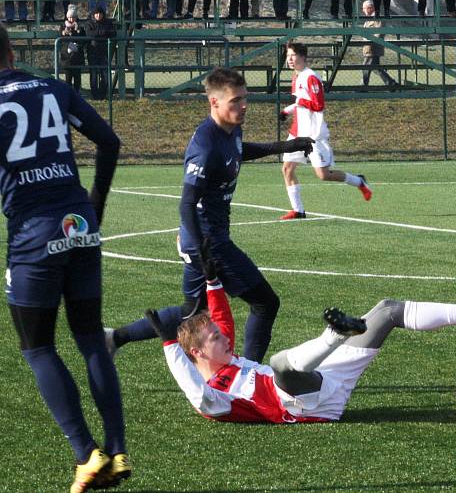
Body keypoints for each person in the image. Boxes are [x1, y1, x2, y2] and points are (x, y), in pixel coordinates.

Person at [146, 243, 456, 424]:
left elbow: (222, 316)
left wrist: (212, 281)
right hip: (303, 405)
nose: (224, 337)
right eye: (213, 338)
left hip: (322, 378)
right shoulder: (215, 397)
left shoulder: (225, 356)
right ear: (197, 354)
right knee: (278, 366)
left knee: (387, 310)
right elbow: (195, 393)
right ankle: (334, 335)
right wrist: (168, 346)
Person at [105, 67, 314, 363]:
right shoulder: (205, 145)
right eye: (234, 101)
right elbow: (187, 203)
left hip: (201, 240)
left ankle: (114, 337)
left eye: (244, 98)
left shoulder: (230, 130)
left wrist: (285, 146)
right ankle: (249, 373)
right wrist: (203, 249)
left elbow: (239, 150)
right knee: (265, 303)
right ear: (214, 103)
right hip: (210, 242)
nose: (243, 106)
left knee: (194, 313)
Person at [0, 24, 130, 493]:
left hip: (33, 234)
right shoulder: (56, 87)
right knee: (91, 338)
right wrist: (95, 204)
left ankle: (85, 453)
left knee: (37, 347)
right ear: (12, 51)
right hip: (80, 223)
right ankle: (117, 451)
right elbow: (110, 142)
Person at [279, 42, 373, 219]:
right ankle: (298, 210)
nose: (289, 59)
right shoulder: (296, 77)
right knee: (287, 169)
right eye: (288, 55)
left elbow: (318, 105)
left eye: (293, 55)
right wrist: (286, 111)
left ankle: (359, 181)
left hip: (314, 135)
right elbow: (300, 102)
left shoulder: (311, 77)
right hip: (297, 131)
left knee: (324, 175)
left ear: (303, 57)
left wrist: (298, 104)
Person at [361, 0, 399, 88]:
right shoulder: (369, 18)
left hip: (373, 48)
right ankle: (391, 83)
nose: (363, 10)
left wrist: (371, 41)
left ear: (370, 8)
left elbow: (379, 32)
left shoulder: (376, 18)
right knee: (375, 67)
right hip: (370, 47)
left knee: (366, 66)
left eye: (364, 8)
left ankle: (363, 86)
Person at [84, 6, 115, 100]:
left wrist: (98, 33)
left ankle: (102, 95)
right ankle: (95, 96)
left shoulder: (108, 23)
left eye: (100, 13)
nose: (98, 15)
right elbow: (90, 34)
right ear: (93, 14)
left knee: (105, 76)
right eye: (96, 13)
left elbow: (113, 33)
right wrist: (104, 33)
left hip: (104, 53)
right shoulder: (89, 23)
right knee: (93, 75)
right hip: (92, 53)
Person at [60, 5, 86, 92]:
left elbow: (83, 40)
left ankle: (77, 95)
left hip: (77, 57)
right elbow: (61, 39)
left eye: (73, 17)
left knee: (77, 79)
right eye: (70, 17)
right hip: (67, 58)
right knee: (68, 80)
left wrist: (76, 35)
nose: (71, 19)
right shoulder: (63, 27)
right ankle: (68, 96)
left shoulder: (80, 28)